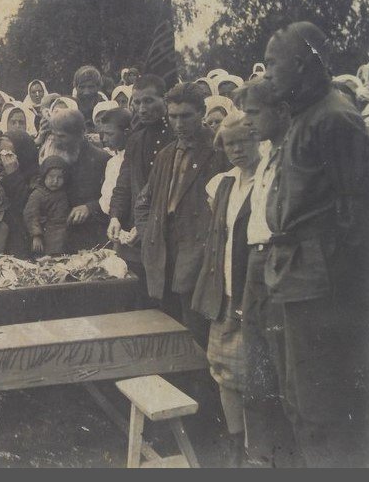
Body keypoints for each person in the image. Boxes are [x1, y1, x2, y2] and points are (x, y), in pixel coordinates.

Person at [261, 22, 369, 467]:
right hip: (301, 278)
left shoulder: (334, 118)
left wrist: (344, 292)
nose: (267, 74)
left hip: (326, 288)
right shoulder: (305, 115)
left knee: (329, 408)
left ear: (301, 63)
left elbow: (358, 214)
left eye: (273, 63)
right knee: (304, 400)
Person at [135, 81, 228, 349]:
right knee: (171, 334)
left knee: (199, 334)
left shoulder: (219, 152)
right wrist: (149, 234)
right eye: (173, 116)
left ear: (202, 113)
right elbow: (143, 203)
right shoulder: (166, 155)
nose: (178, 124)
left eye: (186, 116)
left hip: (201, 256)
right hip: (164, 254)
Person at [232, 77, 296, 467]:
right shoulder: (268, 152)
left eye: (254, 113)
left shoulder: (294, 154)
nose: (248, 122)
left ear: (282, 111)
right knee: (255, 362)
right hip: (256, 260)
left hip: (279, 259)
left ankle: (286, 458)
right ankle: (259, 455)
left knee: (281, 364)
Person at [190, 112, 259, 466]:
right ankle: (236, 441)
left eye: (243, 141)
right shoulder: (223, 184)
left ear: (258, 140)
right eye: (230, 144)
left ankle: (255, 446)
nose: (237, 150)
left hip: (254, 292)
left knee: (253, 373)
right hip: (225, 290)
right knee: (223, 370)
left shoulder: (266, 181)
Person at [108, 75, 173, 294]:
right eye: (137, 102)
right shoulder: (136, 139)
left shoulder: (176, 137)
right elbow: (124, 184)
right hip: (136, 241)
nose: (142, 109)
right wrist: (116, 216)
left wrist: (146, 224)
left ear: (164, 99)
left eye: (149, 101)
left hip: (167, 237)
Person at [40, 109, 110, 252]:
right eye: (54, 135)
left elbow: (113, 197)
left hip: (90, 236)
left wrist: (90, 208)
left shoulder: (102, 159)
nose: (56, 141)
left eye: (62, 136)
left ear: (80, 134)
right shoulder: (51, 156)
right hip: (57, 236)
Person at [0, 130, 39, 258]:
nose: (4, 159)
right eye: (1, 153)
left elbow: (24, 205)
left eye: (9, 154)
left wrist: (14, 175)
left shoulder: (36, 175)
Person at [24, 155, 70, 256]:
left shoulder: (63, 193)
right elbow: (31, 216)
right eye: (51, 177)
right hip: (45, 233)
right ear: (44, 176)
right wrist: (36, 236)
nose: (55, 181)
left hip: (62, 231)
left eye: (59, 178)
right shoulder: (37, 194)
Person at [97, 106, 132, 215]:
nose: (104, 139)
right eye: (103, 134)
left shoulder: (134, 160)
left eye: (110, 134)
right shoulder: (112, 162)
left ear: (126, 132)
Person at [73, 65, 106, 133]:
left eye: (91, 87)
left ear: (98, 87)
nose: (86, 92)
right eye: (82, 87)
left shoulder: (104, 107)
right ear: (76, 87)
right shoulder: (71, 107)